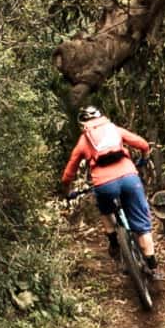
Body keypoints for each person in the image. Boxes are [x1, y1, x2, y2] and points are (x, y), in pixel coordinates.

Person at [60, 105, 157, 268]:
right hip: (130, 179)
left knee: (105, 209)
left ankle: (113, 242)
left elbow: (69, 172)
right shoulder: (115, 130)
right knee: (143, 228)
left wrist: (67, 191)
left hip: (104, 184)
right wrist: (144, 159)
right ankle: (153, 268)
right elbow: (143, 145)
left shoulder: (84, 141)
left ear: (82, 124)